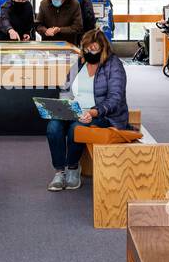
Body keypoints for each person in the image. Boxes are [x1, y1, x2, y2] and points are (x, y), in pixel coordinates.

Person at [46, 29, 130, 191]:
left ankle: (72, 168)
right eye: (86, 49)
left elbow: (115, 98)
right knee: (53, 126)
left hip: (104, 115)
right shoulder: (80, 62)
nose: (89, 52)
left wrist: (93, 112)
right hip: (75, 110)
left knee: (76, 128)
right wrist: (63, 106)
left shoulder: (114, 65)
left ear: (103, 48)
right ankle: (59, 171)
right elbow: (66, 89)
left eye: (93, 49)